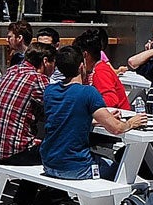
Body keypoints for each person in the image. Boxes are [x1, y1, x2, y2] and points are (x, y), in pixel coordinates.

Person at [43, 43, 144, 181]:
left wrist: (101, 118)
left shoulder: (50, 91)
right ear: (81, 66)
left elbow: (69, 117)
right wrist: (131, 123)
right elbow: (116, 129)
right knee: (123, 171)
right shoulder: (87, 92)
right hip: (77, 168)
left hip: (49, 164)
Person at [0, 42, 54, 164]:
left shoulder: (12, 70)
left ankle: (28, 184)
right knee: (63, 152)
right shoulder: (37, 78)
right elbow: (58, 109)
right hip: (17, 152)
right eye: (54, 63)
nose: (54, 69)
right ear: (45, 61)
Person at [72, 26, 131, 112]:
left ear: (85, 55)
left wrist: (86, 106)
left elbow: (111, 100)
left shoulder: (100, 71)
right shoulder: (90, 71)